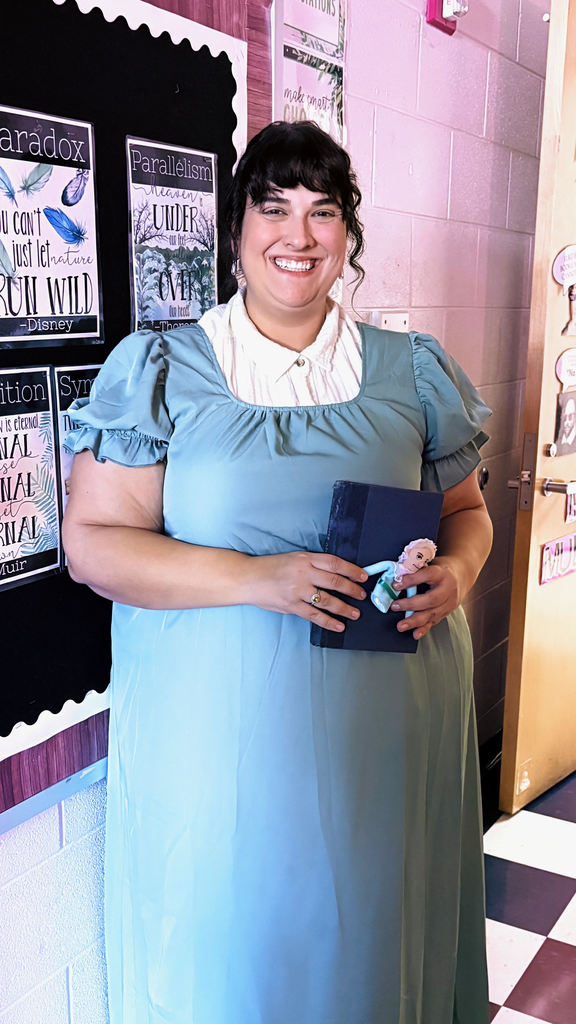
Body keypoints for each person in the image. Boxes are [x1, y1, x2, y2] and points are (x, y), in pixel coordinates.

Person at [63, 120, 493, 1024]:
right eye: (274, 208)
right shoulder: (163, 371)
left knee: (376, 950)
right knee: (234, 959)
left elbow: (468, 515)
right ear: (235, 231)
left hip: (389, 737)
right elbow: (94, 544)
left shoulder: (410, 371)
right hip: (216, 751)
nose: (298, 235)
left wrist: (455, 576)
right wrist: (257, 579)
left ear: (348, 236)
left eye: (323, 212)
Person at [364, 538, 438, 615]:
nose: (421, 564)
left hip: (389, 604)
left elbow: (411, 600)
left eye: (425, 561)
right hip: (378, 592)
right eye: (419, 557)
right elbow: (372, 569)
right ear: (409, 551)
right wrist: (360, 574)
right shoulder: (393, 566)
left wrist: (409, 616)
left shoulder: (410, 581)